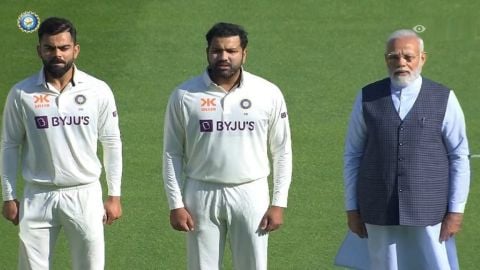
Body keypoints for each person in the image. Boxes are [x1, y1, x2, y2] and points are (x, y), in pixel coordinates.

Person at [162, 22, 292, 270]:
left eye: (231, 51)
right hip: (201, 192)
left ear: (244, 53)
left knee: (253, 266)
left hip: (251, 192)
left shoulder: (267, 92)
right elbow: (172, 153)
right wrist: (175, 204)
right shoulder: (184, 95)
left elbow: (282, 150)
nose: (224, 57)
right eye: (217, 50)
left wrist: (279, 202)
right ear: (207, 52)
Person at [1, 17, 123, 270]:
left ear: (75, 49)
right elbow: (9, 145)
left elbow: (111, 142)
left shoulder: (98, 90)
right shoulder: (21, 93)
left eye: (64, 47)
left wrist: (114, 195)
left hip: (84, 193)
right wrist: (9, 196)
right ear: (40, 51)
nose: (57, 54)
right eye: (50, 48)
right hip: (37, 194)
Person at [343, 29, 470, 269]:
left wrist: (456, 211)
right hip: (378, 209)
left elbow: (459, 156)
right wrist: (352, 208)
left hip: (430, 212)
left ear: (422, 58)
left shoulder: (444, 98)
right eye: (394, 57)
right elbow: (353, 154)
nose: (401, 63)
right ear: (386, 60)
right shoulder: (367, 97)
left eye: (408, 57)